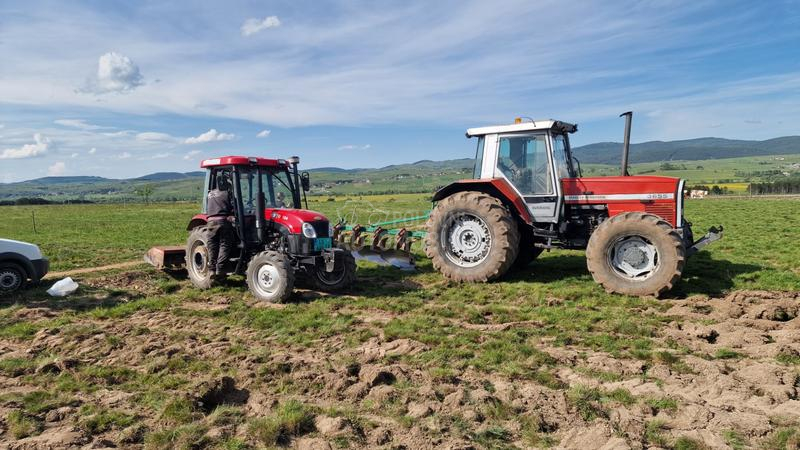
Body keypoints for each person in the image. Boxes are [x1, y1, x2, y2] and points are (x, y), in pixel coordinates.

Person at [206, 173, 235, 277]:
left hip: (210, 222)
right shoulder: (226, 193)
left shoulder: (210, 194)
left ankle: (211, 269)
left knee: (212, 244)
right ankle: (221, 267)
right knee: (225, 243)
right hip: (222, 221)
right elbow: (233, 207)